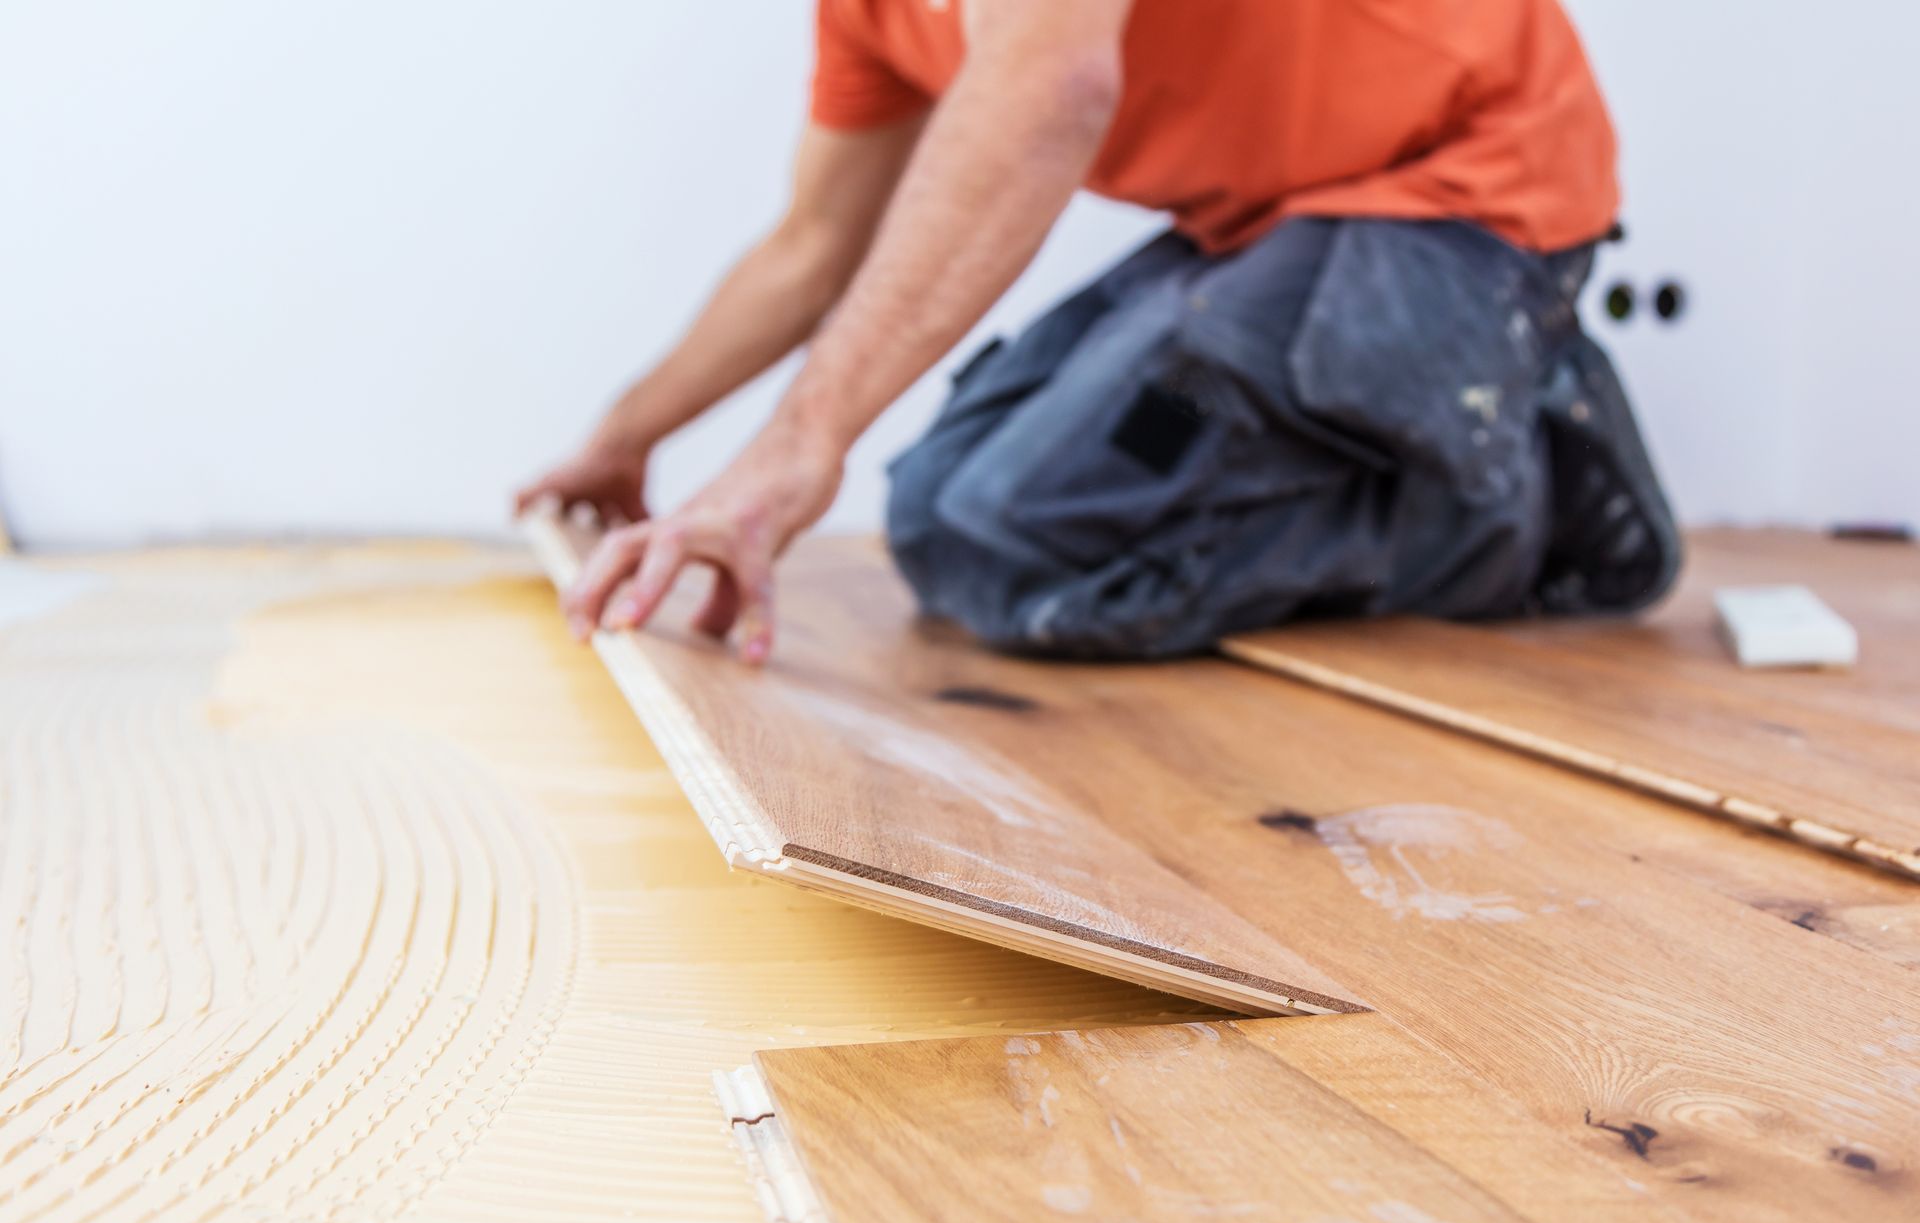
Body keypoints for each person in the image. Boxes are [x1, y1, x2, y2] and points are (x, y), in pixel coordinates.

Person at [518, 0, 1678, 664]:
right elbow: (813, 243)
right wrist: (627, 439)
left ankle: (1527, 503)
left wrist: (792, 450)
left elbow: (1049, 97)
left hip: (1467, 198)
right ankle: (1418, 428)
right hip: (1266, 236)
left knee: (1017, 529)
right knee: (941, 512)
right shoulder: (868, 15)